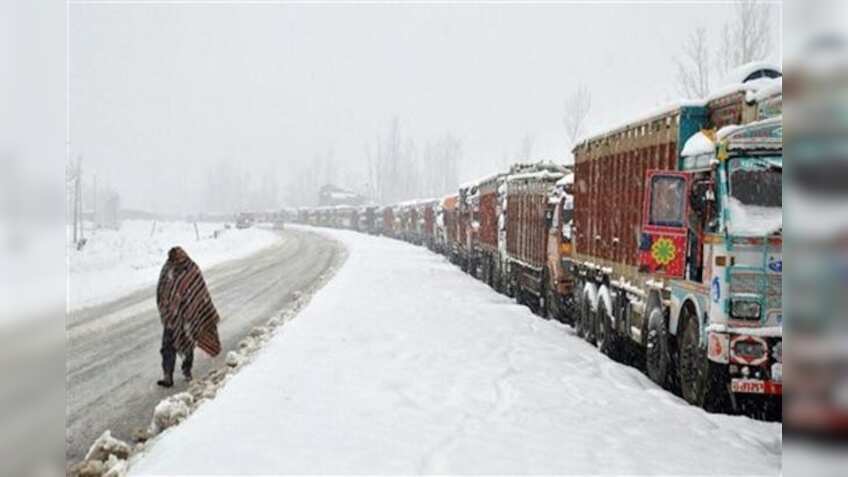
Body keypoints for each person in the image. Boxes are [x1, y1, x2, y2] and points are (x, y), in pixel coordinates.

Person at [155, 246, 221, 387]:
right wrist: (166, 309)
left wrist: (191, 310)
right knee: (167, 346)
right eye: (171, 259)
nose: (173, 261)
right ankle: (168, 375)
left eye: (175, 258)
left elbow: (199, 291)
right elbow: (161, 290)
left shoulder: (191, 269)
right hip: (171, 317)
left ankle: (187, 371)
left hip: (188, 316)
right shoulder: (168, 268)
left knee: (187, 344)